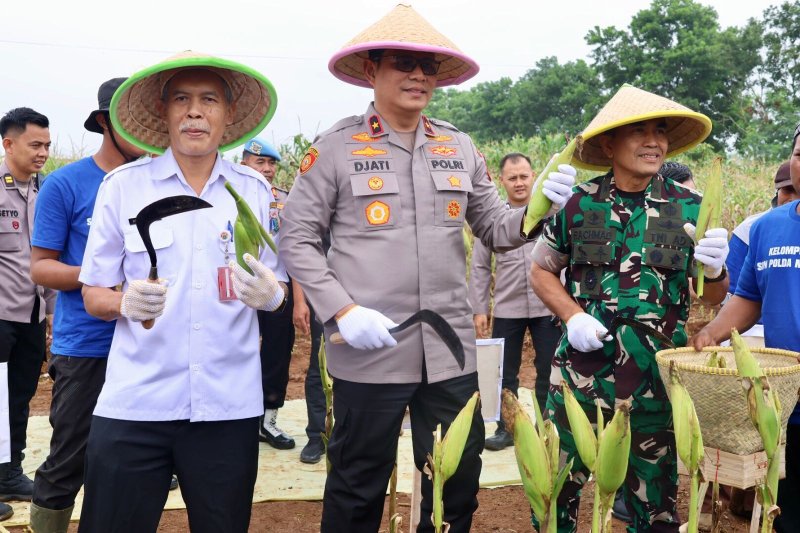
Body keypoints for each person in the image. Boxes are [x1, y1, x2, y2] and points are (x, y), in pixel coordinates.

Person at [278, 6, 575, 532]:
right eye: (403, 62)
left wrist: (540, 208)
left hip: (450, 351)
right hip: (369, 346)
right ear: (371, 71)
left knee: (455, 482)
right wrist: (340, 310)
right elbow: (296, 238)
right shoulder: (336, 147)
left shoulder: (457, 146)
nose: (418, 75)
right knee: (356, 484)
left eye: (428, 67)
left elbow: (497, 228)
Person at [77, 52, 285, 532]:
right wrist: (123, 301)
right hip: (136, 401)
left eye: (209, 99)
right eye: (182, 100)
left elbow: (278, 284)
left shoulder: (253, 191)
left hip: (227, 405)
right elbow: (94, 293)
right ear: (164, 112)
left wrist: (272, 296)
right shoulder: (123, 188)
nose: (195, 111)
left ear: (228, 114)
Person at [529, 84, 730, 532]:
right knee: (556, 490)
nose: (654, 141)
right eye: (638, 131)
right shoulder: (577, 204)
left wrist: (715, 271)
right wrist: (572, 316)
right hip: (581, 377)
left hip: (654, 385)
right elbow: (541, 270)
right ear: (608, 144)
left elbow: (714, 296)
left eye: (660, 131)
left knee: (654, 505)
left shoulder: (691, 208)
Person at [27, 78, 146, 531]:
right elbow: (41, 268)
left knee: (126, 462)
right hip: (88, 347)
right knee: (70, 456)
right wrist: (102, 279)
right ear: (104, 122)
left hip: (146, 345)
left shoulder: (156, 182)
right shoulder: (66, 184)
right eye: (130, 121)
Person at [690, 125, 800, 533]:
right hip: (786, 400)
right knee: (788, 510)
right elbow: (749, 296)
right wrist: (713, 332)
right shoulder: (769, 227)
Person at [468, 152, 562, 451]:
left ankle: (545, 426)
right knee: (503, 372)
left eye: (524, 176)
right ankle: (506, 429)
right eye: (512, 178)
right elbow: (481, 266)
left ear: (533, 176)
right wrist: (480, 308)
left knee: (548, 366)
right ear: (502, 180)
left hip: (548, 305)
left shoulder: (553, 212)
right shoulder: (493, 220)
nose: (519, 183)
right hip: (508, 307)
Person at [0, 107, 54, 520]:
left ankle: (9, 471)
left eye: (47, 145)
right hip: (0, 315)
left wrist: (51, 313)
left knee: (18, 398)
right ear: (8, 144)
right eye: (35, 144)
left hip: (32, 314)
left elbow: (45, 257)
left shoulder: (43, 190)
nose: (43, 153)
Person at [241, 137, 295, 449]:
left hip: (278, 288)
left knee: (277, 352)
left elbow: (294, 246)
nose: (268, 169)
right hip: (239, 288)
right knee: (238, 350)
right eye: (260, 162)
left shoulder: (284, 199)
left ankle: (268, 420)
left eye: (272, 163)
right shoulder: (226, 195)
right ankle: (237, 418)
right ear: (244, 163)